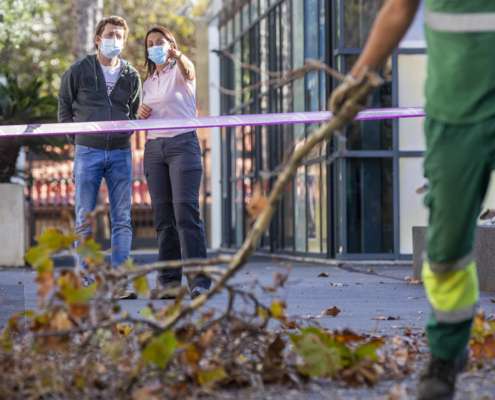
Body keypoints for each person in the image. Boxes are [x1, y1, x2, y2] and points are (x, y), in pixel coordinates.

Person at [329, 1, 491, 399]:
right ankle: (447, 354)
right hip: (456, 114)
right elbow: (400, 7)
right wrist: (359, 77)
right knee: (445, 251)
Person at [58, 16, 142, 299]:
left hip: (120, 153)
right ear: (98, 38)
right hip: (87, 153)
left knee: (122, 217)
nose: (114, 40)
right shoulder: (78, 71)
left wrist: (122, 139)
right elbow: (64, 107)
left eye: (119, 36)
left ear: (125, 41)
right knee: (84, 217)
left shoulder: (131, 76)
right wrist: (78, 141)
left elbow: (135, 112)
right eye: (109, 35)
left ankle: (120, 282)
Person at [138, 26, 211, 300]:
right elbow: (146, 112)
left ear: (170, 44)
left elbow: (190, 70)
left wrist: (178, 56)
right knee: (163, 218)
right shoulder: (147, 83)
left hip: (183, 145)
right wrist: (140, 110)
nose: (155, 46)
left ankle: (199, 282)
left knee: (185, 214)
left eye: (160, 42)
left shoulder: (180, 72)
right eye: (150, 43)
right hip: (154, 149)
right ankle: (168, 283)